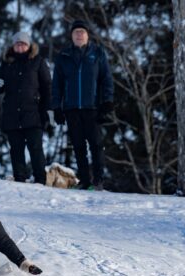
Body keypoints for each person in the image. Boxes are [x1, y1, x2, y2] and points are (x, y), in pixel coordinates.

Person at [51, 20, 115, 190]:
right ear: (71, 36)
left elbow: (106, 79)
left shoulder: (97, 53)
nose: (79, 34)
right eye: (76, 32)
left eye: (82, 32)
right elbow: (56, 84)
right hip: (71, 109)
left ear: (87, 35)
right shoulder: (64, 56)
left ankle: (98, 180)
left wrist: (107, 101)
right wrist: (56, 107)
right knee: (79, 146)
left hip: (92, 108)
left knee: (96, 145)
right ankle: (85, 180)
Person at [0, 31, 52, 185]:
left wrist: (50, 109)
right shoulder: (7, 63)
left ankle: (40, 179)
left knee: (36, 149)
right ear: (13, 46)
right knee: (16, 149)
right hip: (12, 115)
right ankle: (19, 179)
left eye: (23, 44)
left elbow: (48, 87)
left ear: (29, 45)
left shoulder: (38, 62)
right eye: (17, 43)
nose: (20, 46)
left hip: (34, 114)